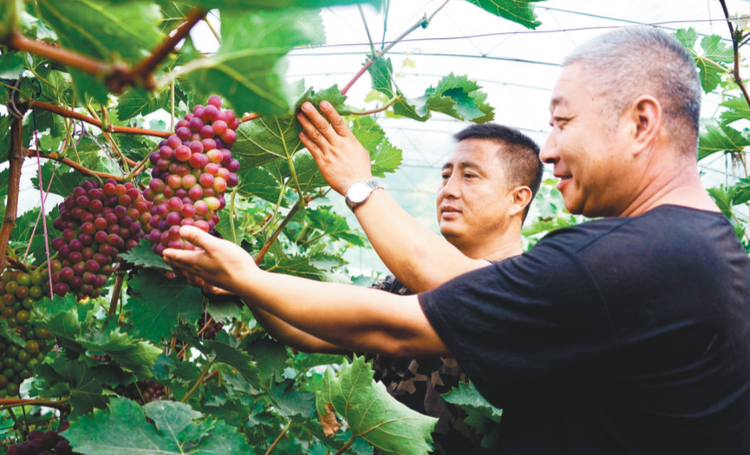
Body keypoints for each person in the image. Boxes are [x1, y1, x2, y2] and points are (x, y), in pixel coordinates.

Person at [164, 26, 750, 454]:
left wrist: (257, 270)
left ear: (641, 123)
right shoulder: (705, 252)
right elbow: (426, 295)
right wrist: (243, 284)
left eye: (563, 121)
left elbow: (407, 315)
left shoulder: (629, 262)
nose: (549, 147)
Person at [196, 123, 543, 454]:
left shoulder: (532, 290)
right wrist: (242, 282)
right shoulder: (400, 285)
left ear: (518, 199)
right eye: (445, 176)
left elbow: (457, 284)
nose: (449, 189)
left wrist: (359, 184)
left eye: (469, 175)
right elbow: (310, 333)